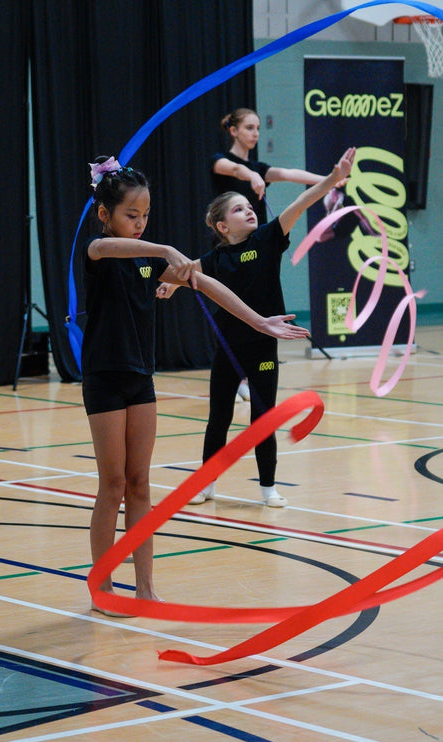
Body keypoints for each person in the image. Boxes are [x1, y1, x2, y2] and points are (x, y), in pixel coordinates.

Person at [82, 155, 310, 615]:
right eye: (131, 215)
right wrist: (166, 249)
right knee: (113, 484)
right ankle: (103, 586)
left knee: (139, 484)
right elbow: (108, 249)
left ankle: (145, 588)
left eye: (146, 215)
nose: (141, 223)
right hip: (104, 377)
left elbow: (205, 285)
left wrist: (259, 321)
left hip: (140, 378)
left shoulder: (148, 261)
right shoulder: (100, 250)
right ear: (105, 214)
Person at [159, 147, 356, 507]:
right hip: (228, 349)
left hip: (263, 347)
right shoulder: (216, 259)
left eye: (249, 206)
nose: (249, 210)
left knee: (262, 419)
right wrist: (172, 285)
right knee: (218, 419)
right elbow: (185, 272)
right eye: (238, 209)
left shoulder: (267, 239)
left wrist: (332, 179)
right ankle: (207, 484)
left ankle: (268, 488)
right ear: (222, 227)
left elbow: (300, 203)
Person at [211, 107, 332, 402]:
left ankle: (254, 373)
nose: (255, 133)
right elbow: (236, 170)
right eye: (249, 128)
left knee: (261, 307)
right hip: (231, 249)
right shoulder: (221, 161)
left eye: (257, 128)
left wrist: (329, 178)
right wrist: (252, 175)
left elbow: (289, 174)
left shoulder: (260, 167)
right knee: (233, 311)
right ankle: (235, 374)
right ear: (233, 131)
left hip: (259, 248)